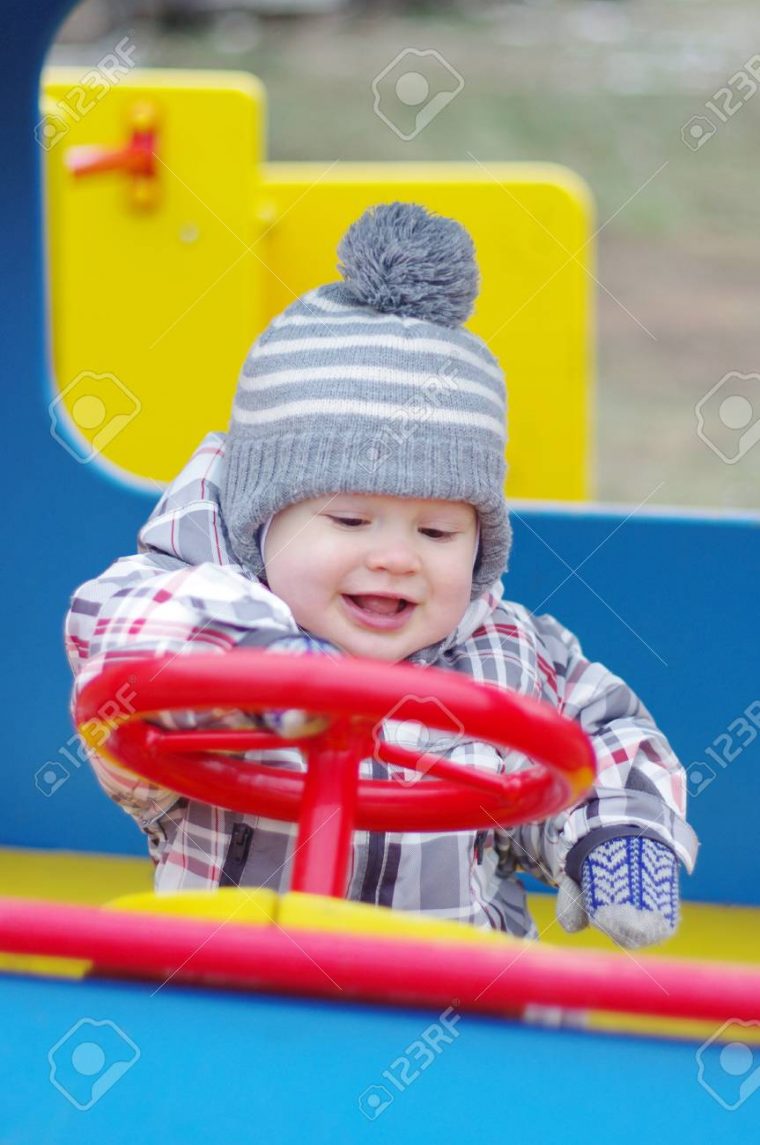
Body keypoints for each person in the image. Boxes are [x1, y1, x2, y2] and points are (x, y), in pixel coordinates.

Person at [65, 202, 698, 949]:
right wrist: (274, 680)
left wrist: (619, 837)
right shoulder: (194, 603)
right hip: (235, 998)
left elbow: (607, 731)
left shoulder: (510, 655)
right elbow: (136, 628)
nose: (397, 557)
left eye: (437, 531)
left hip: (453, 1005)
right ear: (259, 522)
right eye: (350, 521)